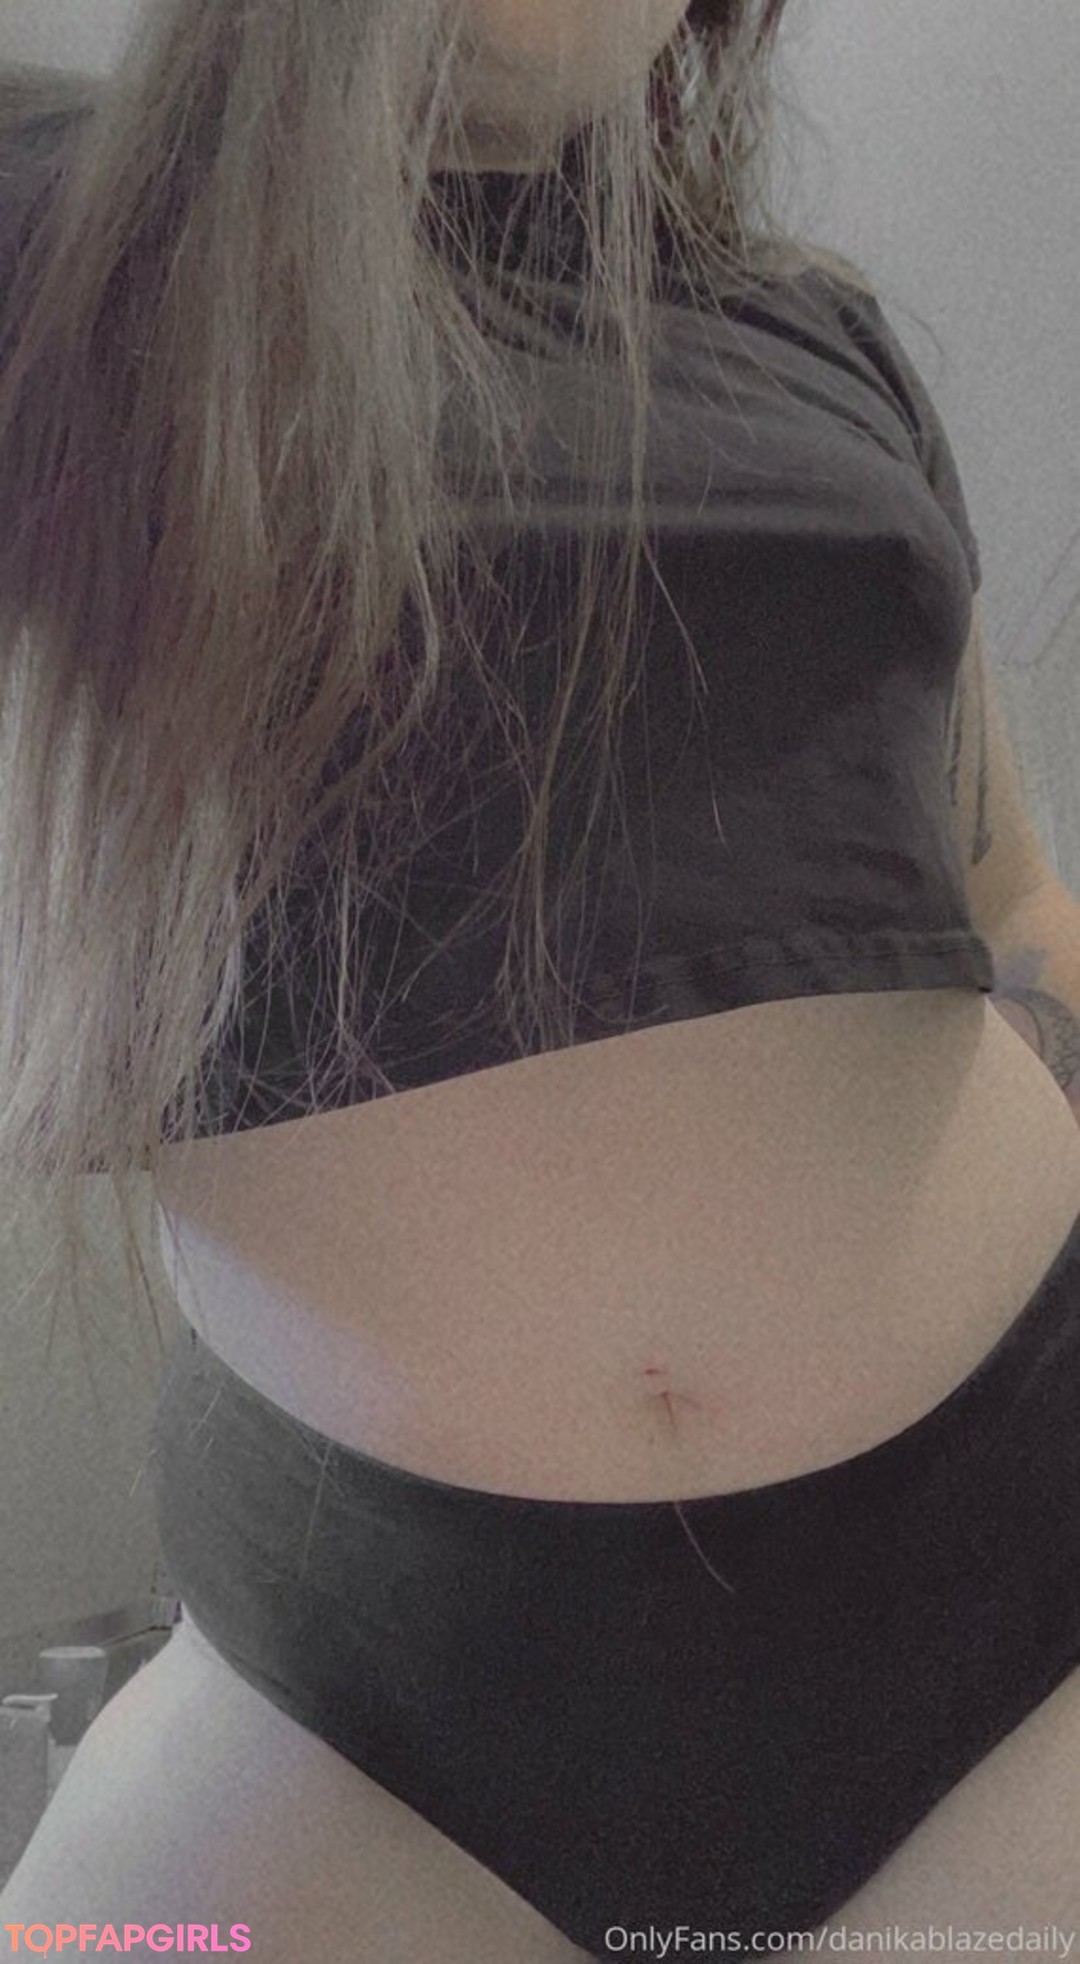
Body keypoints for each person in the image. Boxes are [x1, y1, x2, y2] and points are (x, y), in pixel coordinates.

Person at [2, 2, 1080, 1958]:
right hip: (367, 1685)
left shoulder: (807, 328)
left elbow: (1006, 882)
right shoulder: (77, 247)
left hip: (1018, 1575)